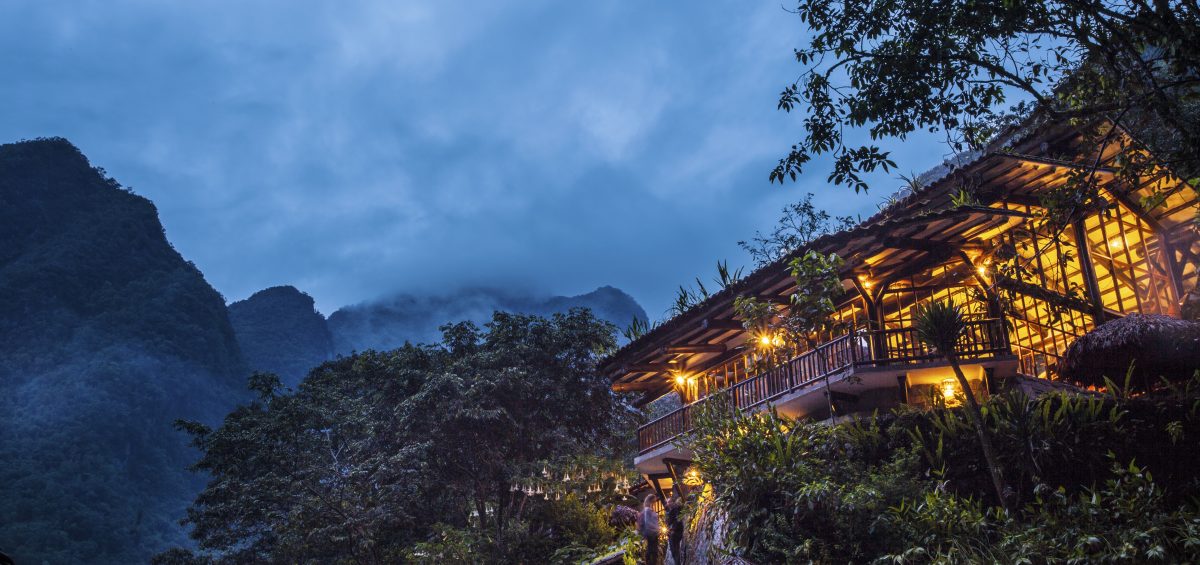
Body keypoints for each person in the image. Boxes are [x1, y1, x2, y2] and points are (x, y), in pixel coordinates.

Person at [638, 494, 662, 565]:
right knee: (653, 552)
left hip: (651, 534)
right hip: (651, 534)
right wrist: (657, 529)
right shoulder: (647, 511)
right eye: (654, 501)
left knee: (652, 552)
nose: (655, 503)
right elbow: (648, 523)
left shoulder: (648, 510)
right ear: (651, 501)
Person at [665, 491, 684, 564]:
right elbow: (670, 520)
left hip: (675, 532)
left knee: (675, 550)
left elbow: (678, 519)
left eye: (669, 502)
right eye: (667, 502)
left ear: (672, 502)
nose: (667, 504)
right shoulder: (670, 510)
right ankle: (677, 562)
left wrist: (673, 530)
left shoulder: (676, 508)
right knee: (674, 550)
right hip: (672, 532)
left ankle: (677, 563)